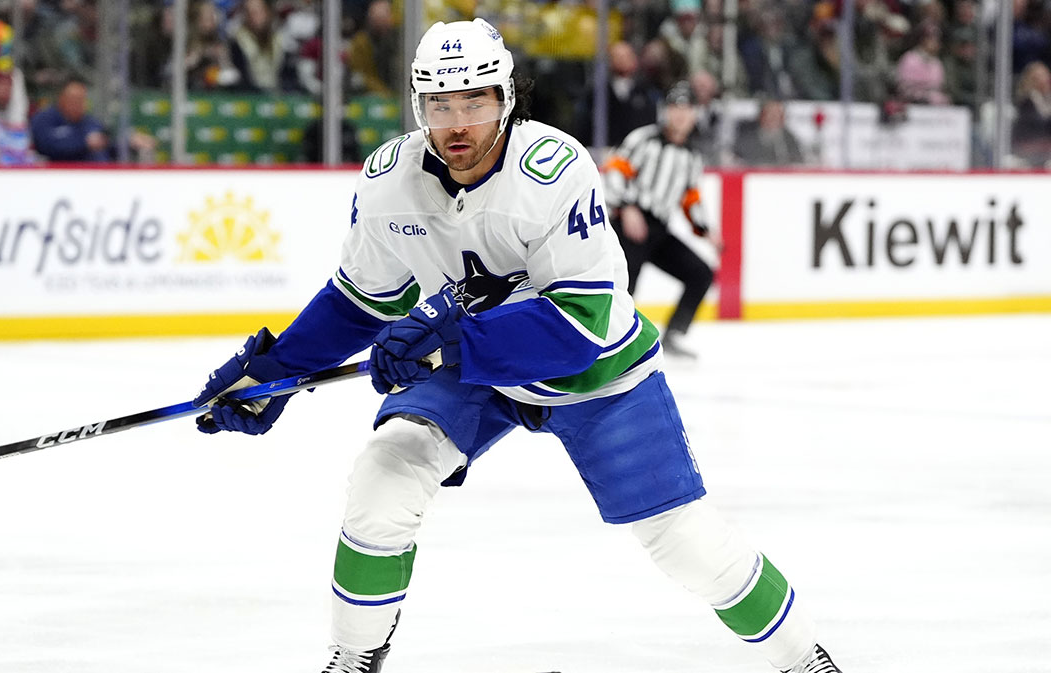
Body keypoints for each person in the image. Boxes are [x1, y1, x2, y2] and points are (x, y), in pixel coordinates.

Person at [192, 19, 844, 673]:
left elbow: (577, 328)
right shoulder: (388, 180)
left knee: (686, 544)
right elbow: (359, 299)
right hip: (469, 361)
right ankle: (354, 657)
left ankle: (805, 661)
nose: (457, 123)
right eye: (439, 105)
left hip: (596, 374)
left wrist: (449, 341)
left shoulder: (553, 171)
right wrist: (275, 370)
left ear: (507, 99)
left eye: (474, 101)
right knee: (384, 476)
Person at [603, 82, 721, 360]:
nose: (680, 115)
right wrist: (627, 207)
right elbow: (615, 172)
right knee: (624, 285)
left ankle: (675, 334)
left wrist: (706, 231)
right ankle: (611, 343)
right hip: (628, 225)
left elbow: (690, 198)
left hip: (658, 230)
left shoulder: (692, 155)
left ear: (695, 114)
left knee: (700, 273)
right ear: (666, 111)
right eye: (674, 108)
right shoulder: (643, 139)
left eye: (686, 109)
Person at [29, 77, 108, 162]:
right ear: (62, 99)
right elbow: (45, 146)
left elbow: (103, 142)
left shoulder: (91, 122)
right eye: (74, 99)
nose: (78, 104)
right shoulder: (44, 119)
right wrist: (83, 143)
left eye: (81, 99)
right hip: (53, 172)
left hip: (89, 172)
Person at [733, 97, 805, 166]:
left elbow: (797, 161)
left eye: (778, 115)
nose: (773, 119)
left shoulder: (789, 139)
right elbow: (737, 160)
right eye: (770, 114)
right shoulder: (747, 139)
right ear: (762, 116)